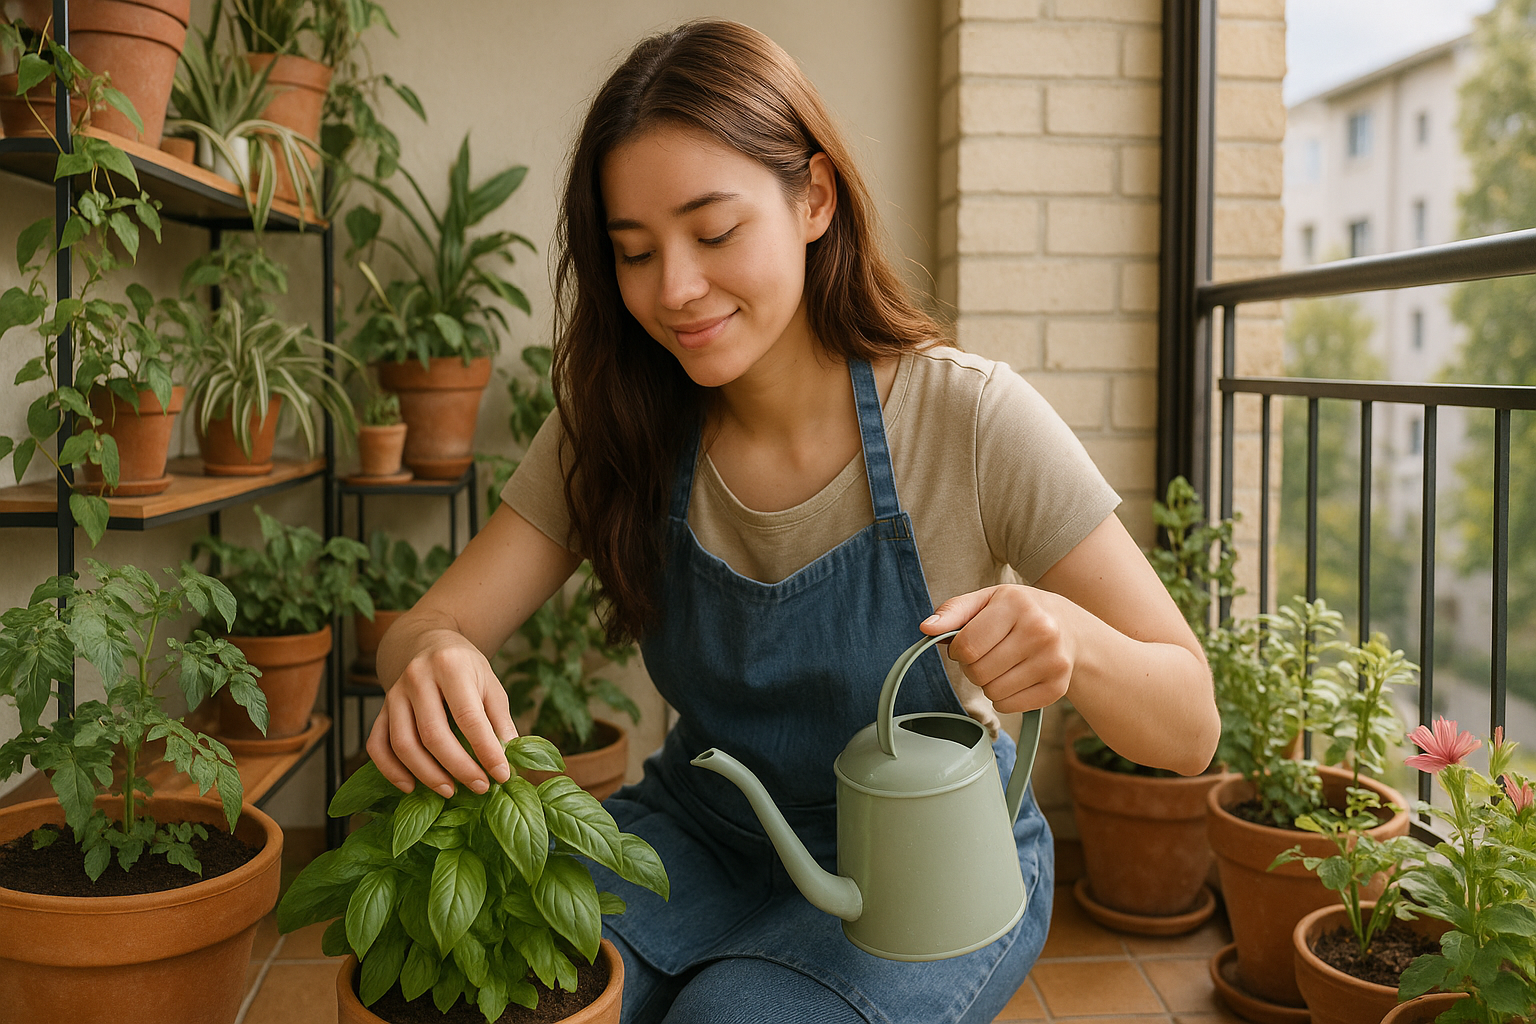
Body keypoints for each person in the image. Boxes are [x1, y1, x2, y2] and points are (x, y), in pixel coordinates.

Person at [369, 19, 1219, 1024]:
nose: (675, 289)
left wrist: (1072, 640)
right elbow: (429, 626)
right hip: (699, 834)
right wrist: (429, 656)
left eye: (714, 232)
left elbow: (1190, 725)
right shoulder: (618, 421)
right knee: (488, 984)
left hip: (929, 862)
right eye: (634, 252)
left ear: (814, 197)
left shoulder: (970, 418)